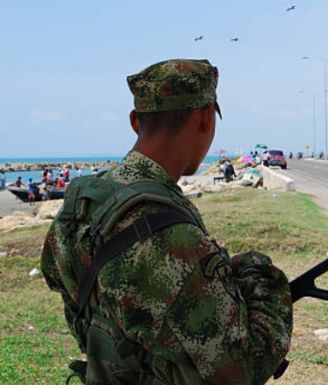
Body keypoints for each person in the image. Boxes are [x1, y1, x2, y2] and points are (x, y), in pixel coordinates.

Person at [41, 59, 293, 385]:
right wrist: (258, 272)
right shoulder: (171, 236)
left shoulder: (83, 200)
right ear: (205, 119)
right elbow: (241, 370)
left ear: (135, 121)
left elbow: (60, 277)